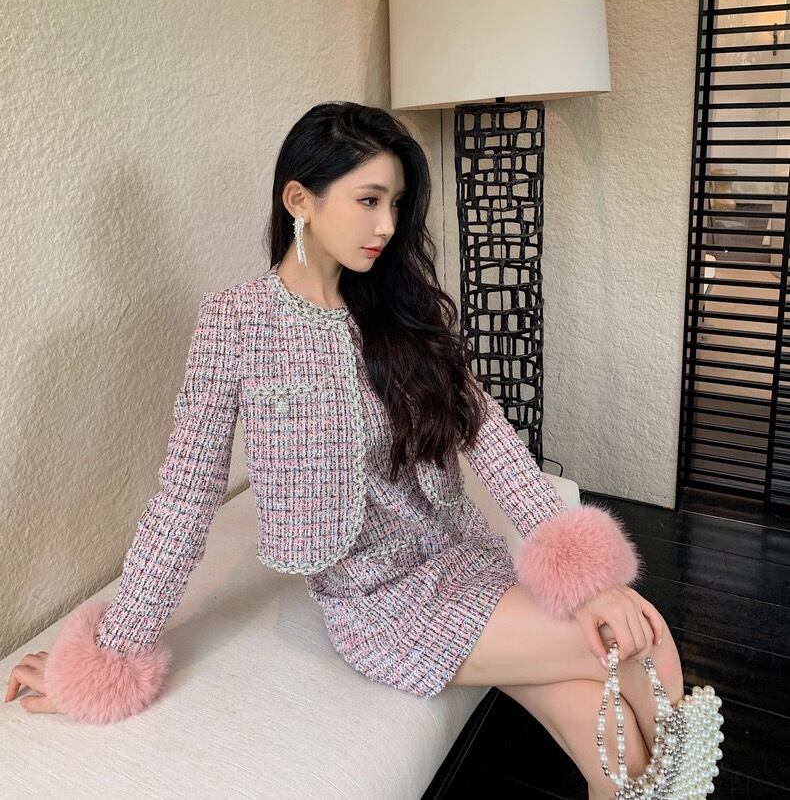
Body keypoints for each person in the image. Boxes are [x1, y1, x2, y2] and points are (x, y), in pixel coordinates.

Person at [6, 101, 684, 799]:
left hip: (466, 560)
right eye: (368, 200)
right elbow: (185, 497)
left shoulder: (400, 311)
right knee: (641, 642)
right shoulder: (236, 322)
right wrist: (108, 654)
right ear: (299, 199)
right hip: (382, 604)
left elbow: (492, 441)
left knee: (615, 743)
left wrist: (588, 577)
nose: (387, 224)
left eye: (395, 203)